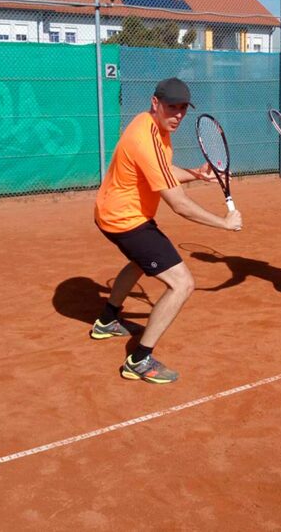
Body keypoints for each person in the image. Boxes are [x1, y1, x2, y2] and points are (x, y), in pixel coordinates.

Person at [91, 77, 243, 384]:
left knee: (139, 263)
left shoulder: (152, 126)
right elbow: (179, 205)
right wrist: (223, 223)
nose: (178, 115)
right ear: (155, 103)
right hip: (125, 219)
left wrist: (195, 175)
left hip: (115, 213)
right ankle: (139, 359)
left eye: (183, 109)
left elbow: (160, 170)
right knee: (182, 283)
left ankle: (106, 320)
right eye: (172, 107)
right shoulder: (144, 138)